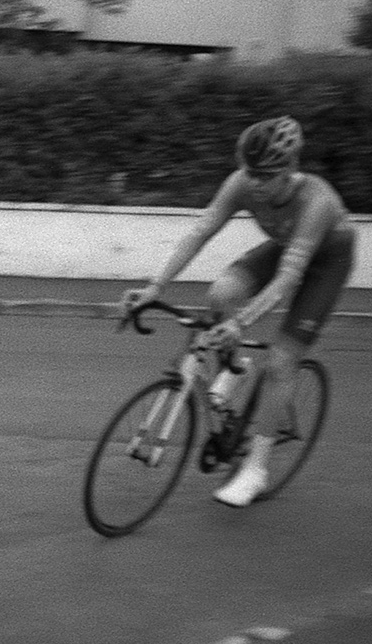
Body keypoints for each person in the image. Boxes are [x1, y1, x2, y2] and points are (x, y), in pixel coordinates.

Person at [121, 116, 355, 507]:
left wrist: (241, 322)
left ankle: (256, 471)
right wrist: (155, 287)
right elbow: (200, 232)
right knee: (221, 293)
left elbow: (288, 279)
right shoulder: (242, 183)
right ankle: (236, 368)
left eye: (267, 176)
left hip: (325, 262)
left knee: (281, 362)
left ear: (291, 169)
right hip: (286, 245)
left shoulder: (317, 201)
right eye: (251, 173)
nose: (256, 184)